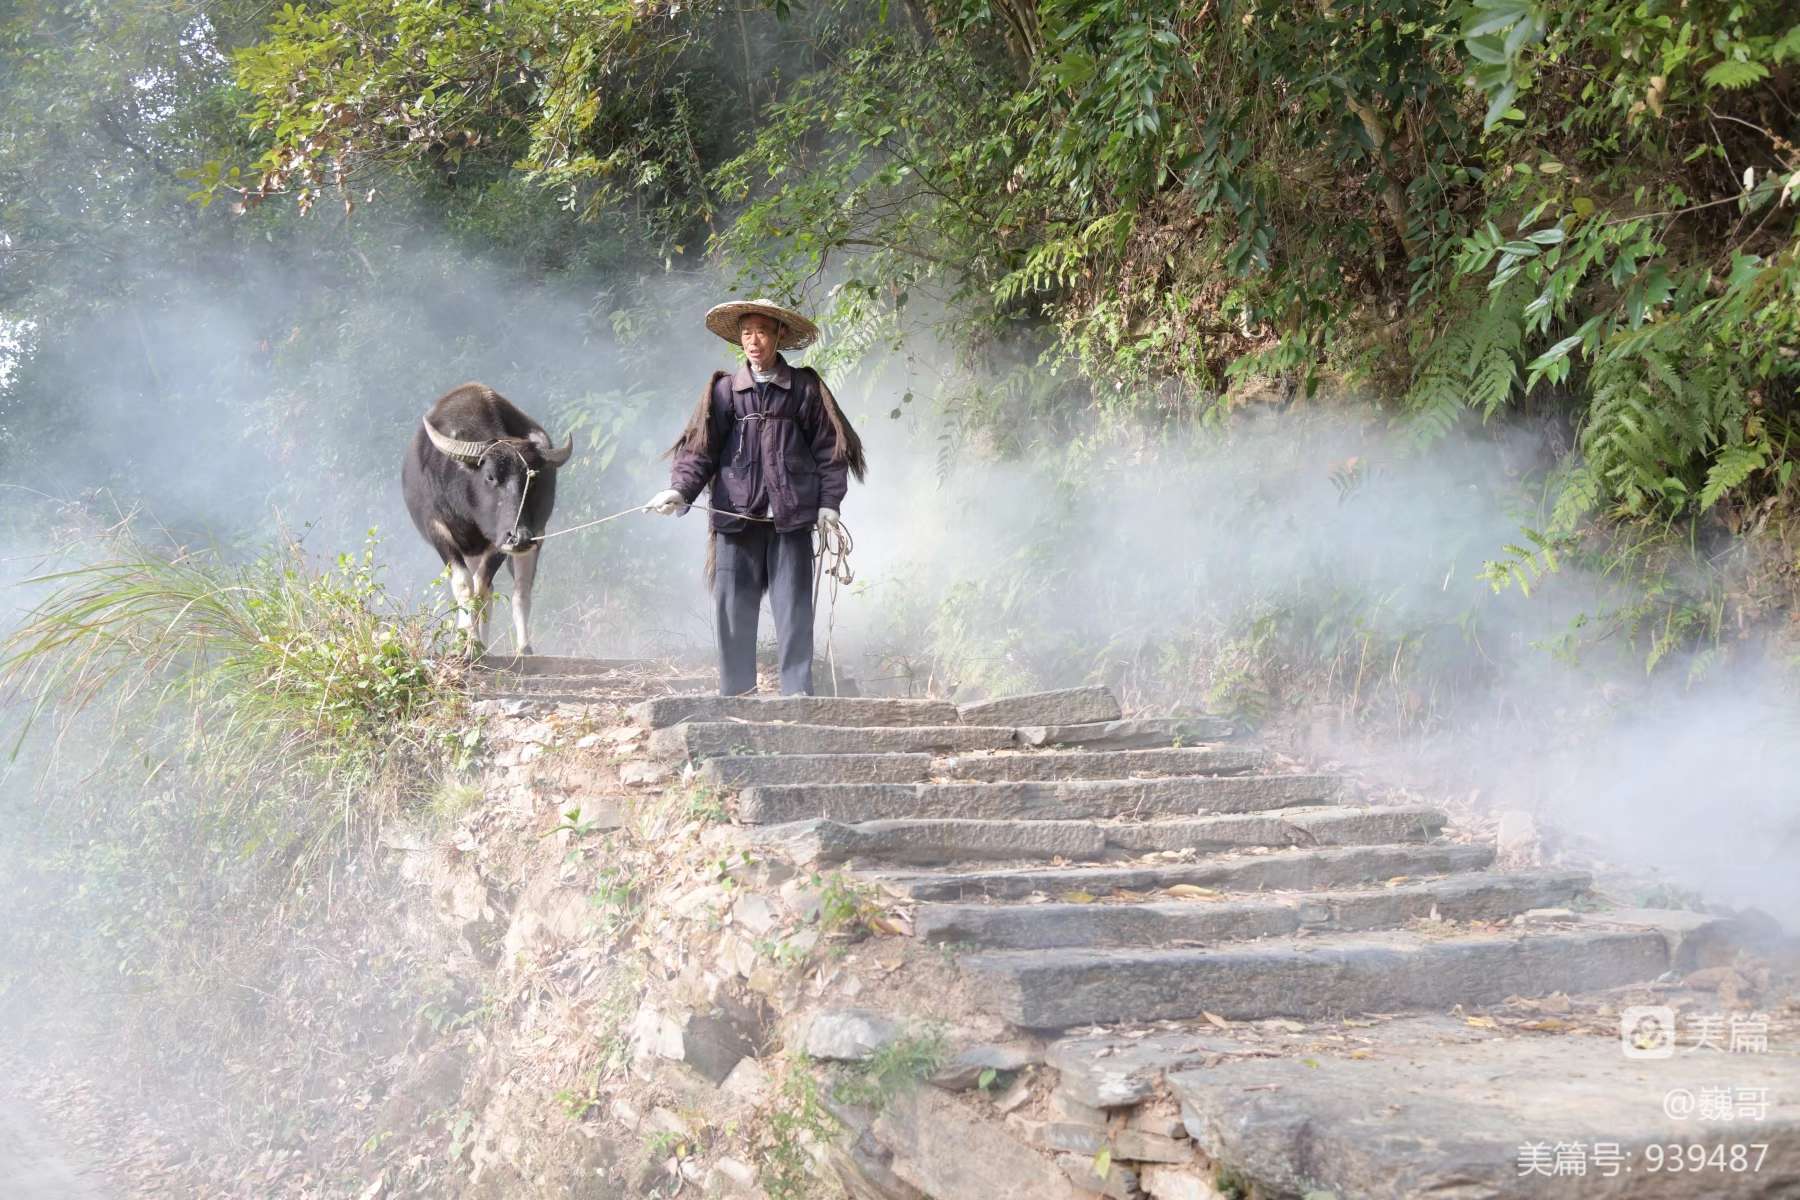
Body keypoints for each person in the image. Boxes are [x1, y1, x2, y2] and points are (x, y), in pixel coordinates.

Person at [645, 299, 866, 696]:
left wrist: (829, 505)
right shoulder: (725, 391)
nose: (754, 341)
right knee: (732, 612)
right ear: (739, 339)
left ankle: (797, 697)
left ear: (779, 335)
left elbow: (830, 451)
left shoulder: (805, 390)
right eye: (746, 332)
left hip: (791, 522)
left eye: (762, 331)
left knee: (794, 613)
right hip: (735, 519)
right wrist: (679, 491)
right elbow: (700, 451)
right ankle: (736, 696)